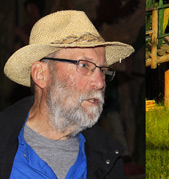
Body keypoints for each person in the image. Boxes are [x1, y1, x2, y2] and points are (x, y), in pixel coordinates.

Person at [0, 10, 134, 179]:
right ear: (41, 74)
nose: (100, 83)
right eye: (84, 65)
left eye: (103, 70)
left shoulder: (110, 159)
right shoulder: (4, 146)